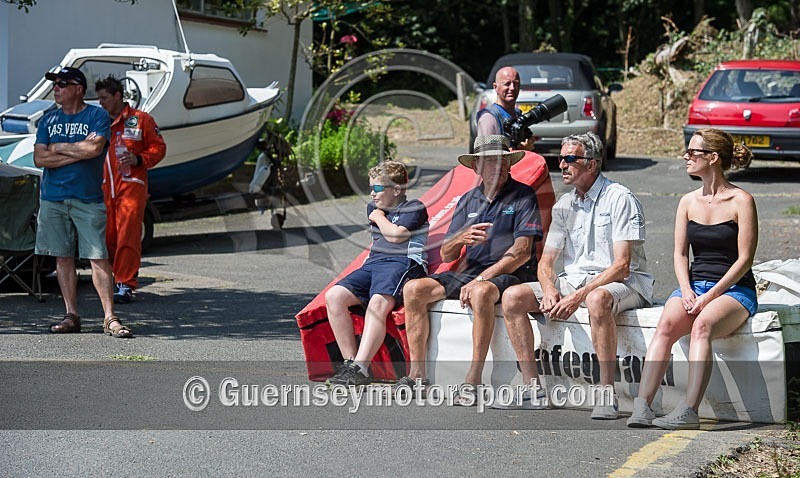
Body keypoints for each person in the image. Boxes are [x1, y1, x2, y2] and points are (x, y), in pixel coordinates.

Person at [501, 132, 653, 418]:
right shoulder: (563, 206)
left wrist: (576, 296)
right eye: (560, 158)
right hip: (577, 281)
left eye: (570, 159)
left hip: (625, 281)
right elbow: (546, 263)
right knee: (512, 297)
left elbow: (622, 265)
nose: (562, 165)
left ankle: (607, 393)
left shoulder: (620, 198)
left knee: (596, 299)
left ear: (592, 164)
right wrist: (548, 290)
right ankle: (532, 388)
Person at [394, 135, 543, 404]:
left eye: (500, 161)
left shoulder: (523, 195)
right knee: (414, 289)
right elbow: (446, 253)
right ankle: (417, 376)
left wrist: (482, 278)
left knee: (481, 292)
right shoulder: (467, 199)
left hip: (508, 274)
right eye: (487, 162)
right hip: (470, 271)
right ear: (476, 167)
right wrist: (460, 238)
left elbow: (521, 252)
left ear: (509, 164)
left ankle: (473, 380)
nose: (494, 167)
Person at [627, 129, 757, 430]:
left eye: (692, 152)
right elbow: (680, 254)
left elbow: (744, 260)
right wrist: (686, 290)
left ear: (712, 158)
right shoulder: (687, 201)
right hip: (695, 286)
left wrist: (708, 298)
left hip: (734, 289)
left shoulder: (742, 201)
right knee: (667, 324)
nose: (686, 157)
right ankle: (643, 405)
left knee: (702, 326)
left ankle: (689, 410)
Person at [33, 67, 132, 338]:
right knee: (62, 258)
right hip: (52, 197)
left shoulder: (96, 115)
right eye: (55, 84)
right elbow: (40, 159)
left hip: (87, 198)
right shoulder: (47, 120)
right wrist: (77, 151)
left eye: (63, 84)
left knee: (97, 257)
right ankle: (71, 315)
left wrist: (58, 147)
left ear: (78, 89)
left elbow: (95, 149)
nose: (57, 88)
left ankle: (110, 317)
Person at [325, 161, 429, 387]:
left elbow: (396, 237)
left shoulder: (414, 207)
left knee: (377, 304)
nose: (373, 193)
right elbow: (379, 238)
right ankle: (350, 364)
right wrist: (377, 215)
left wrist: (379, 217)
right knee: (334, 296)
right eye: (371, 188)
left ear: (397, 190)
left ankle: (361, 367)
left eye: (379, 188)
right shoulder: (373, 208)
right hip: (374, 263)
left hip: (403, 263)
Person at [95, 75, 166, 304]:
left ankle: (125, 283)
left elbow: (159, 148)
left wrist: (138, 159)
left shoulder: (141, 119)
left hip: (131, 187)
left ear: (118, 96)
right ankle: (112, 280)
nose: (101, 103)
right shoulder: (99, 121)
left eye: (104, 98)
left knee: (128, 235)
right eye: (99, 98)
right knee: (107, 237)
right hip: (105, 188)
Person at [475, 66, 536, 151]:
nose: (512, 88)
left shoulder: (517, 115)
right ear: (495, 87)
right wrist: (519, 150)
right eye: (507, 84)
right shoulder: (488, 117)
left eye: (516, 83)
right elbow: (487, 155)